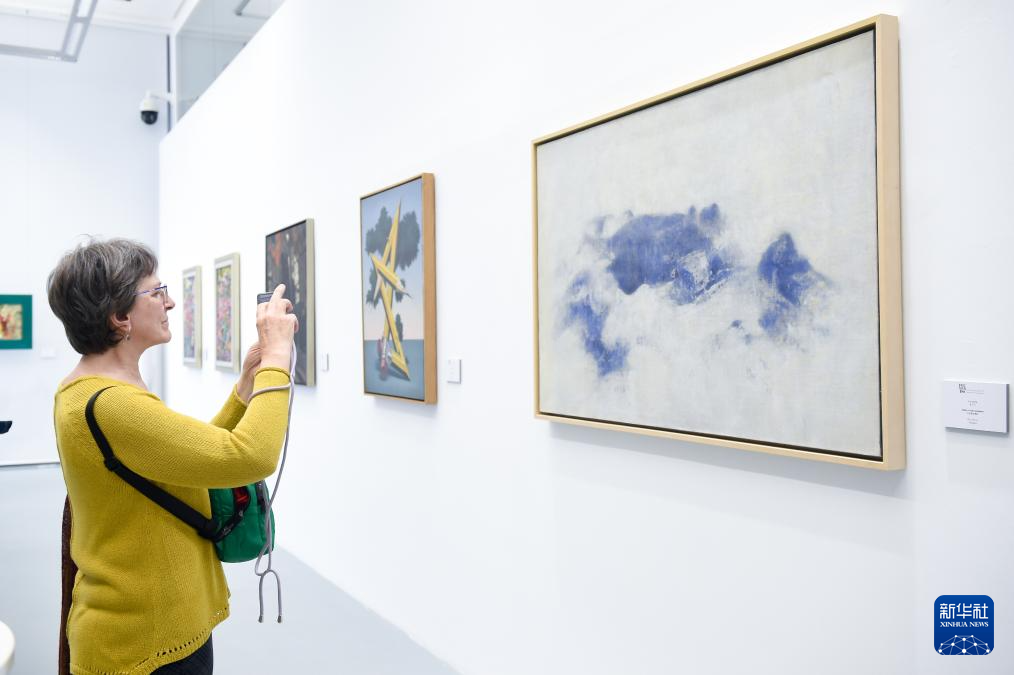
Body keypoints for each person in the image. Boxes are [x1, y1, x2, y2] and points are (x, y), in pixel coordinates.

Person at [48, 238, 297, 674]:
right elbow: (250, 456)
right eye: (156, 291)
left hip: (153, 630)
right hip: (143, 644)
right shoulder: (111, 404)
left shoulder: (95, 392)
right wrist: (277, 358)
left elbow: (185, 462)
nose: (170, 301)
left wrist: (244, 391)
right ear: (120, 317)